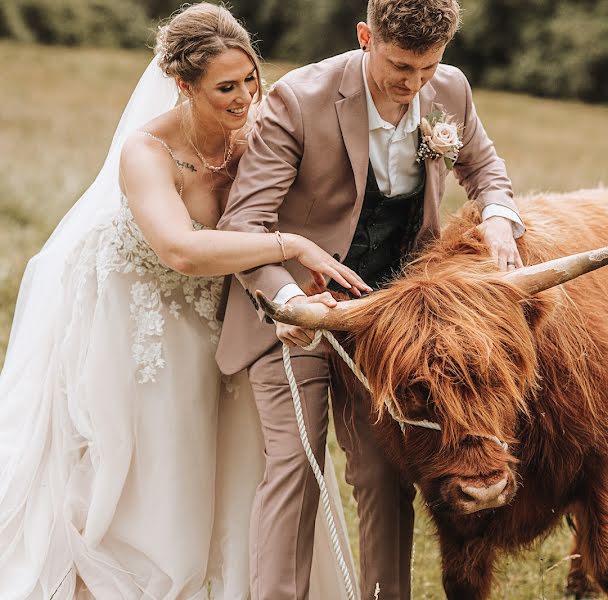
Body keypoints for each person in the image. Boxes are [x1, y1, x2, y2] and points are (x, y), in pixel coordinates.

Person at [0, 4, 361, 599]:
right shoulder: (146, 152)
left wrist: (286, 296)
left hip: (219, 313)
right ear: (183, 85)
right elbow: (182, 250)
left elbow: (291, 206)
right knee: (151, 451)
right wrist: (289, 243)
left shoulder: (259, 134)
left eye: (251, 79)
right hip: (137, 311)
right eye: (226, 87)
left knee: (226, 451)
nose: (246, 97)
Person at [216, 1, 526, 598]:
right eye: (400, 68)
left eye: (428, 68)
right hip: (293, 314)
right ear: (366, 37)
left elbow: (484, 167)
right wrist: (289, 302)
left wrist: (498, 215)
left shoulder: (450, 90)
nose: (413, 86)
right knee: (296, 467)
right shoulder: (298, 99)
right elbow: (244, 223)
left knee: (386, 475)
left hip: (390, 325)